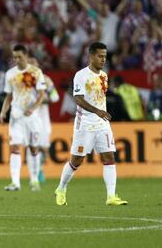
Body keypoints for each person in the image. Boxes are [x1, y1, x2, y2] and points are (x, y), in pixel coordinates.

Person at [54, 42, 127, 206]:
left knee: (109, 157)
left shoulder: (104, 76)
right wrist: (97, 111)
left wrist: (101, 113)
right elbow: (78, 99)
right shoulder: (81, 75)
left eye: (105, 57)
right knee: (76, 161)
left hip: (102, 123)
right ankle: (61, 188)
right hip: (85, 123)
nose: (103, 60)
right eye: (100, 56)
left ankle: (111, 196)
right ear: (91, 56)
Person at [0, 44, 46, 191]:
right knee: (14, 147)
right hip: (16, 116)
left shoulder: (35, 72)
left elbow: (42, 94)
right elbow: (8, 96)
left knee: (33, 148)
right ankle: (15, 182)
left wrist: (33, 108)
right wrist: (3, 112)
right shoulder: (10, 74)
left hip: (32, 117)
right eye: (14, 57)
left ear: (26, 55)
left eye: (19, 56)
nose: (17, 60)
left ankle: (34, 180)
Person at [26, 54, 60, 188]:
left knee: (45, 149)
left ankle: (39, 169)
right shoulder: (24, 81)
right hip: (30, 118)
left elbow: (55, 97)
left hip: (44, 118)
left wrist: (47, 99)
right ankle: (33, 177)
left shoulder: (46, 80)